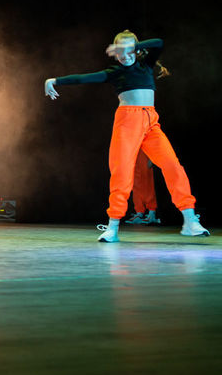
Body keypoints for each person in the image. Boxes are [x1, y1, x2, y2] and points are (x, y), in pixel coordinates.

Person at [44, 30, 207, 242]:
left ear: (136, 50)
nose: (125, 55)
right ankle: (112, 227)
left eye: (129, 50)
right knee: (121, 172)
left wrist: (130, 47)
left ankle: (189, 221)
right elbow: (84, 78)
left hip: (151, 123)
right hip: (127, 122)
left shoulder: (146, 65)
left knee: (172, 165)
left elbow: (159, 42)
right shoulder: (115, 72)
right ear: (115, 53)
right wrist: (54, 80)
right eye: (120, 51)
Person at [124, 150, 161, 225]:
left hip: (145, 159)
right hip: (134, 159)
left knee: (148, 186)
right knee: (136, 186)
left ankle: (152, 213)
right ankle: (139, 213)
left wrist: (152, 159)